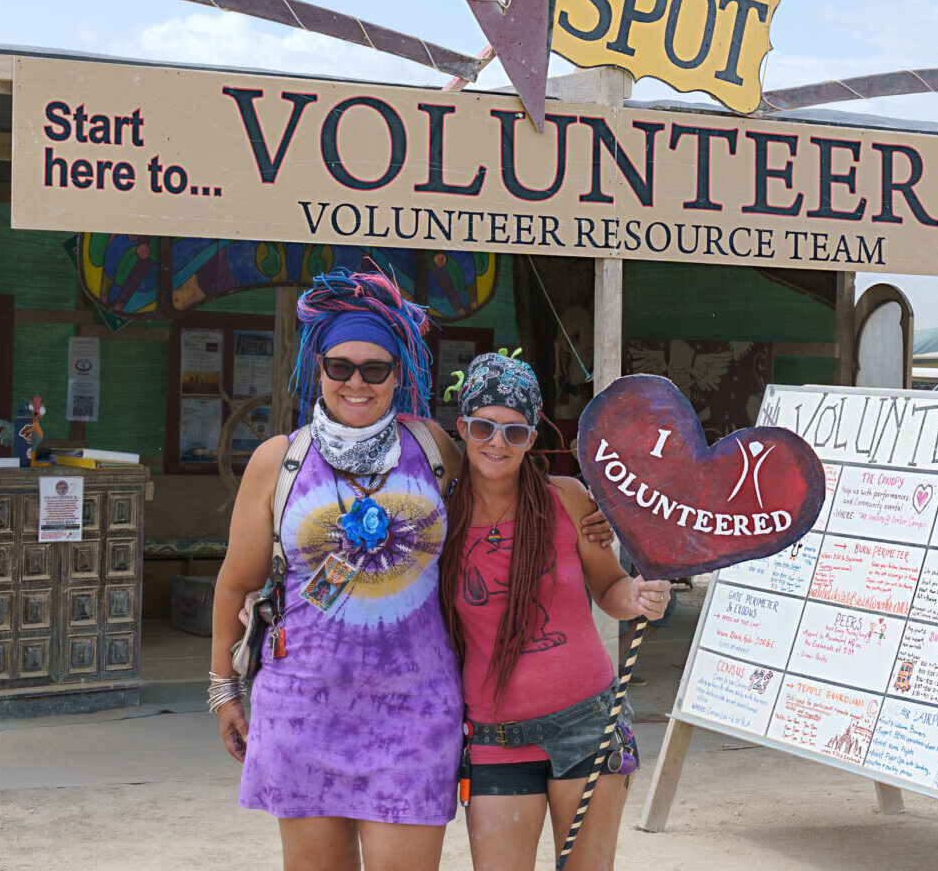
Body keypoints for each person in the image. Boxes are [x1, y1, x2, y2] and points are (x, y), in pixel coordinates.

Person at [208, 267, 465, 871]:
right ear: (316, 369)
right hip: (302, 709)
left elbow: (502, 506)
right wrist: (224, 691)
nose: (356, 382)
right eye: (339, 367)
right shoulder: (280, 461)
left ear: (399, 374)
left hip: (415, 712)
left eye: (375, 369)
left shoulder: (434, 449)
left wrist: (580, 509)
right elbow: (235, 582)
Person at [439, 351, 673, 871]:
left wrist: (635, 597)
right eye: (483, 426)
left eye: (514, 432)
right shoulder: (437, 515)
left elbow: (609, 585)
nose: (497, 443)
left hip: (589, 723)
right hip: (495, 736)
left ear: (531, 438)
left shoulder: (567, 500)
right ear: (462, 426)